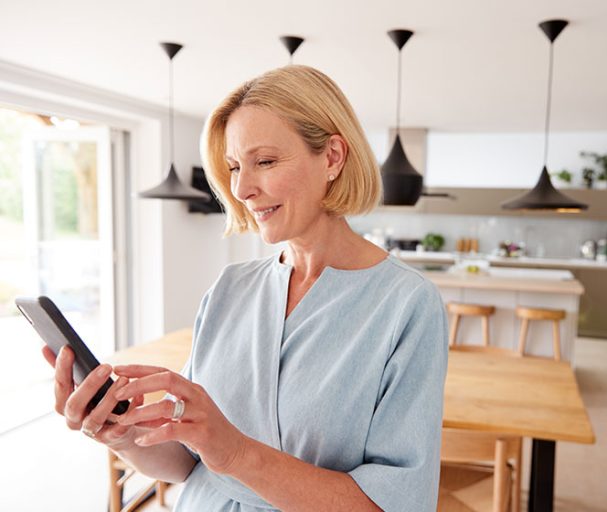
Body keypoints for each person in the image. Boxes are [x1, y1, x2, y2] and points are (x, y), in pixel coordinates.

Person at [43, 65, 449, 511]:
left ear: (332, 157)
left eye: (266, 161)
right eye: (234, 167)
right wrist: (122, 435)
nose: (241, 188)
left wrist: (236, 452)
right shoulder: (230, 288)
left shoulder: (407, 306)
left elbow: (396, 505)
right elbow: (186, 462)